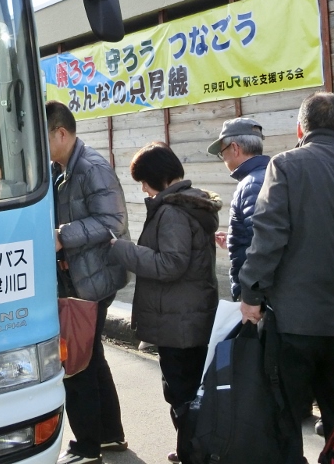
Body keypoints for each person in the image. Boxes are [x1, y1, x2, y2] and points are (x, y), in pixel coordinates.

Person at [239, 92, 334, 463]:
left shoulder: (286, 165)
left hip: (293, 321)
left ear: (299, 128)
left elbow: (268, 237)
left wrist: (251, 294)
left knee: (285, 417)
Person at [108, 142, 220, 464]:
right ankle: (192, 449)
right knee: (190, 391)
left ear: (157, 176)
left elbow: (170, 264)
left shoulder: (172, 211)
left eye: (143, 180)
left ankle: (194, 454)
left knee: (181, 392)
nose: (142, 188)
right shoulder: (189, 203)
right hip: (190, 315)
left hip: (179, 321)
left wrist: (123, 249)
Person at [46, 100, 129, 464]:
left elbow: (113, 222)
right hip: (82, 280)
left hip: (91, 283)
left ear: (61, 133)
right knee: (92, 358)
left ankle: (86, 447)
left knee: (77, 364)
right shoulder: (59, 167)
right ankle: (110, 436)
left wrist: (63, 236)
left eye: (41, 138)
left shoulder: (92, 167)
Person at [207, 117, 270, 300]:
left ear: (235, 148)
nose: (223, 159)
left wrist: (251, 298)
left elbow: (261, 244)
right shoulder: (271, 174)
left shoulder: (251, 184)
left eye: (222, 152)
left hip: (258, 296)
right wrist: (235, 238)